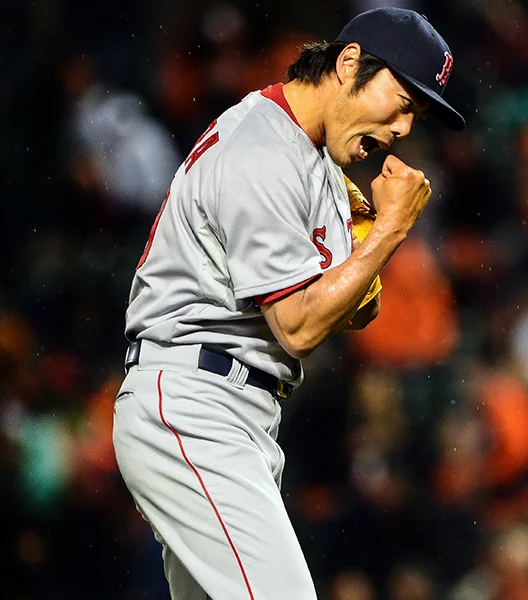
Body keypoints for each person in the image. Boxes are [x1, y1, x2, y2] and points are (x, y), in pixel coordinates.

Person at [111, 8, 464, 600]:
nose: (404, 128)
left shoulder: (316, 160)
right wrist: (387, 234)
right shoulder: (263, 150)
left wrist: (361, 246)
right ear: (349, 63)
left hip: (235, 409)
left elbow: (354, 311)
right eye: (402, 100)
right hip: (195, 402)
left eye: (417, 116)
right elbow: (299, 326)